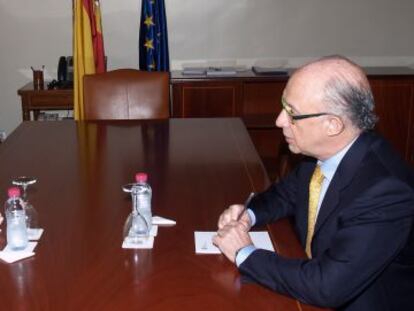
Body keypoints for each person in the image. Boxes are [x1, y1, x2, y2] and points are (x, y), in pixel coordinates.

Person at [213, 55, 414, 311]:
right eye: (283, 106)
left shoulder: (385, 192)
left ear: (332, 125)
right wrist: (248, 215)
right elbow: (284, 196)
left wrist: (244, 253)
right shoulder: (321, 154)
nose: (279, 121)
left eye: (292, 114)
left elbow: (327, 287)